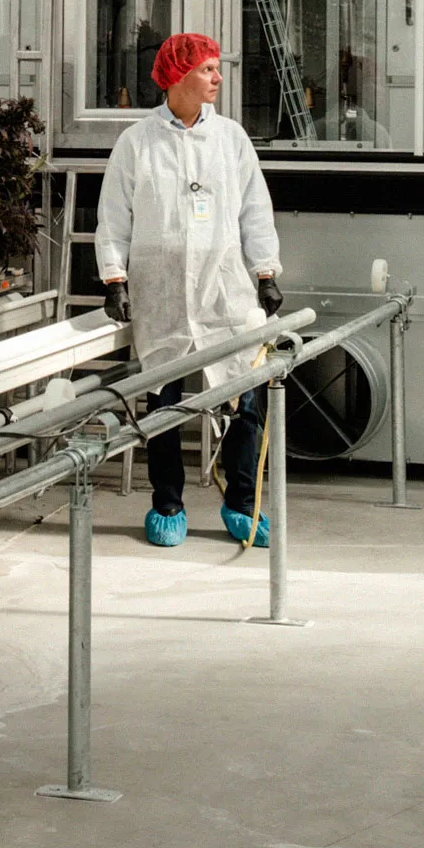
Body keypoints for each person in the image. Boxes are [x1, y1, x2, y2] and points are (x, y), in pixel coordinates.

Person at [93, 32, 286, 548]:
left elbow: (254, 207)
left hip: (225, 293)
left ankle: (243, 504)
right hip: (162, 294)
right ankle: (167, 504)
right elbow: (114, 217)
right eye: (208, 69)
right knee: (164, 404)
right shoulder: (137, 143)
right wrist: (115, 278)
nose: (218, 78)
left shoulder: (231, 139)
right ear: (179, 76)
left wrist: (265, 271)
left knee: (247, 399)